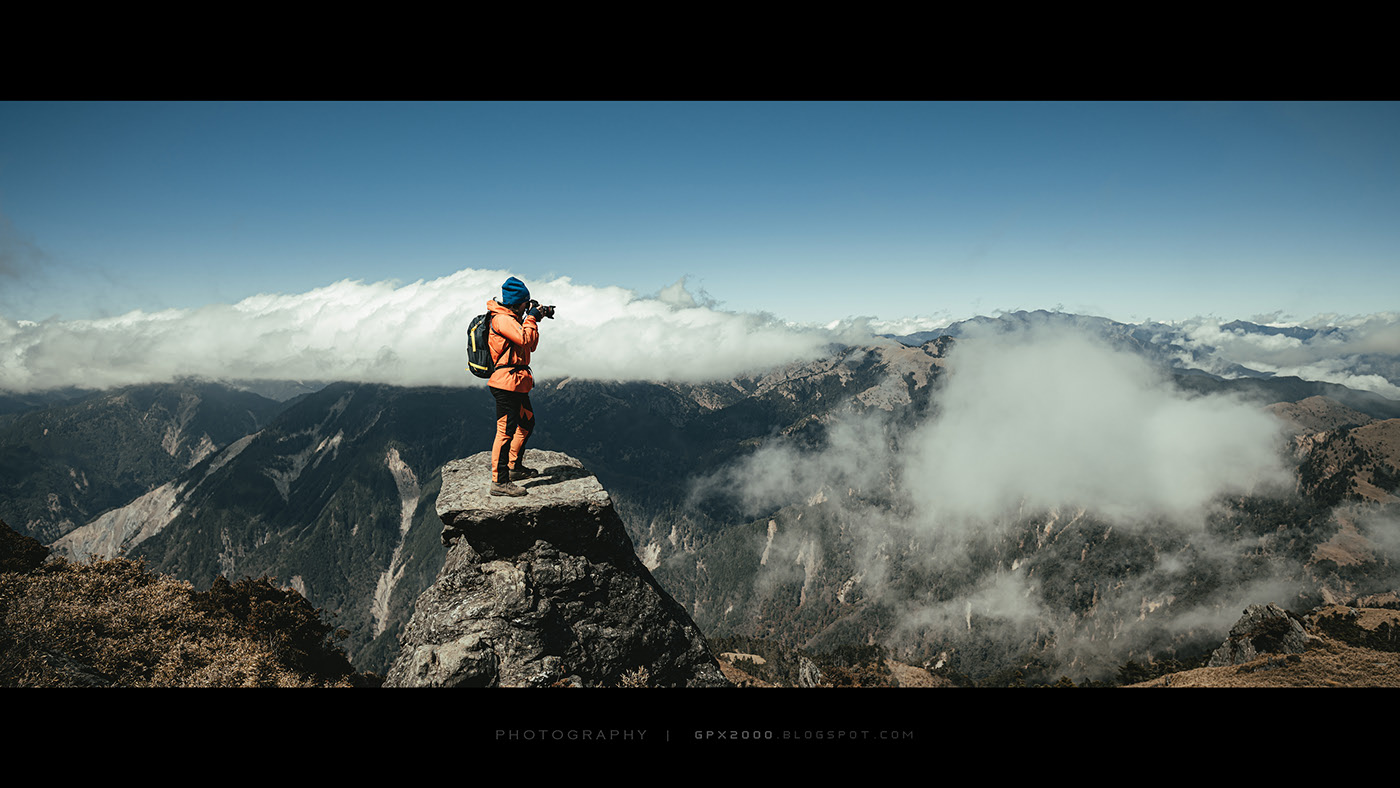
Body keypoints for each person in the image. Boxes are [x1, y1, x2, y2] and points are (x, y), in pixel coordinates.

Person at [485, 277, 553, 497]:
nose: (527, 306)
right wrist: (532, 317)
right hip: (505, 384)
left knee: (526, 423)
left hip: (517, 382)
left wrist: (533, 317)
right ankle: (499, 481)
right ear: (517, 303)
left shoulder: (513, 319)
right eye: (525, 303)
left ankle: (514, 467)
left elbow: (530, 345)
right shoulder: (502, 320)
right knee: (505, 431)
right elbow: (525, 339)